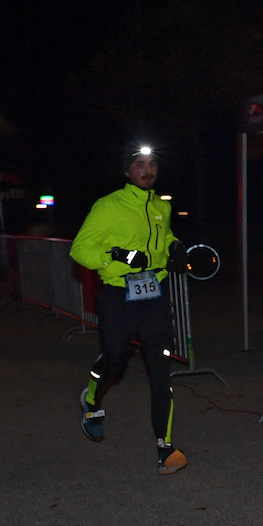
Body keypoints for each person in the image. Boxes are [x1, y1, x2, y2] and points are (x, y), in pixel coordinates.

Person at [70, 144, 189, 474]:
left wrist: (174, 245)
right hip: (119, 297)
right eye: (140, 164)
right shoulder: (108, 206)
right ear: (127, 171)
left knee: (160, 369)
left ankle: (165, 449)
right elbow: (80, 250)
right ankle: (91, 401)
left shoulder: (159, 206)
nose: (148, 170)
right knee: (114, 360)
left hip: (154, 296)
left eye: (152, 164)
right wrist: (117, 256)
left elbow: (163, 237)